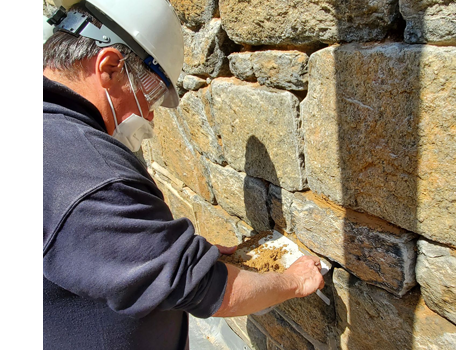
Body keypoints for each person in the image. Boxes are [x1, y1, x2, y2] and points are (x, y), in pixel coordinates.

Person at [43, 0, 325, 349]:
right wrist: (296, 281)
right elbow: (208, 290)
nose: (148, 115)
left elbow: (100, 249)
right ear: (110, 67)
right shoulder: (87, 170)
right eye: (151, 93)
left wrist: (167, 251)